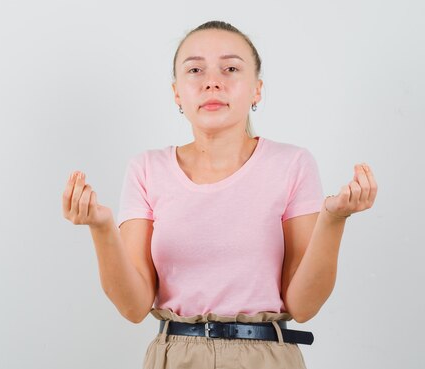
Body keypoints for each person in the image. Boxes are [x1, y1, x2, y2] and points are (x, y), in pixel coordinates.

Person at [62, 20, 378, 369]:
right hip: (175, 356)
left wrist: (334, 219)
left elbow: (303, 305)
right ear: (177, 93)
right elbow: (133, 306)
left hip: (266, 357)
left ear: (257, 90)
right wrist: (102, 228)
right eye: (195, 70)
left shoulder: (292, 164)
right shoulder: (147, 169)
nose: (212, 81)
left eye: (230, 68)